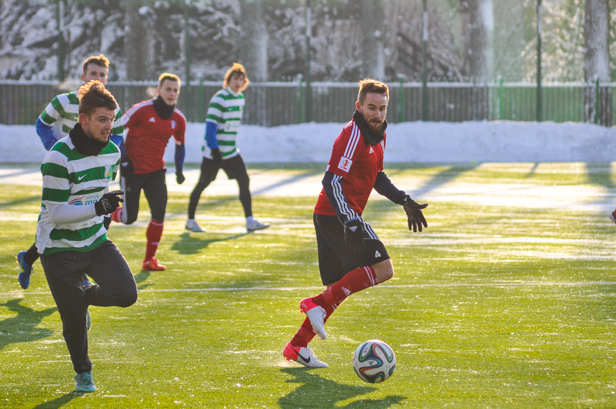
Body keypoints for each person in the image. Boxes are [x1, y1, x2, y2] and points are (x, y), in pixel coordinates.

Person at [282, 79, 428, 368]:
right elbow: (332, 180)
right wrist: (350, 221)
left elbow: (376, 176)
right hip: (337, 215)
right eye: (371, 107)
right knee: (383, 269)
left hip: (334, 215)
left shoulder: (378, 134)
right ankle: (313, 304)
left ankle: (297, 346)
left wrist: (404, 200)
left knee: (339, 287)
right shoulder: (353, 135)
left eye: (382, 108)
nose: (377, 114)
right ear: (358, 106)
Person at [37, 80, 138, 392]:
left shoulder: (111, 152)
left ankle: (83, 296)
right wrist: (99, 207)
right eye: (102, 119)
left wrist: (108, 211)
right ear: (83, 119)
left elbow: (99, 193)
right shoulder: (57, 157)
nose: (110, 126)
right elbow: (57, 214)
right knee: (74, 323)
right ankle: (83, 372)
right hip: (58, 248)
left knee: (126, 294)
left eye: (112, 119)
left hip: (94, 241)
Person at [16, 54, 125, 290]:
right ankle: (35, 260)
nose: (98, 78)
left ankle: (71, 271)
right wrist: (55, 149)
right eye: (93, 74)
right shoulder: (63, 102)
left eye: (102, 74)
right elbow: (42, 124)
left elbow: (117, 136)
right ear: (83, 76)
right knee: (58, 218)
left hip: (92, 170)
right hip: (66, 168)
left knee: (94, 214)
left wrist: (105, 154)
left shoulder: (111, 107)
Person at [111, 73, 186, 271]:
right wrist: (124, 158)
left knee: (159, 213)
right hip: (132, 171)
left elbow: (180, 145)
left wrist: (179, 169)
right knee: (129, 219)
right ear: (159, 90)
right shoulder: (142, 109)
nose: (171, 93)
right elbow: (116, 129)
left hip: (156, 172)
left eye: (175, 90)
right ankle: (106, 212)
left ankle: (149, 260)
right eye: (168, 89)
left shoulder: (178, 119)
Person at [186, 63, 269, 233]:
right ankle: (190, 220)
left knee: (244, 180)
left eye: (241, 79)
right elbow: (210, 126)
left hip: (231, 152)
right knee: (203, 184)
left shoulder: (240, 98)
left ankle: (250, 221)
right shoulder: (220, 98)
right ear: (228, 80)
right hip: (214, 153)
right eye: (234, 79)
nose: (238, 82)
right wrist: (214, 149)